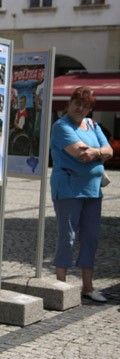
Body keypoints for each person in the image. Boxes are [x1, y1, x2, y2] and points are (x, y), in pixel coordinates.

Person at [49, 86, 113, 302]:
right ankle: (61, 288)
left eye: (86, 106)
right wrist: (99, 153)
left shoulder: (92, 125)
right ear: (69, 103)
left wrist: (96, 152)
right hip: (68, 189)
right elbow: (80, 154)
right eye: (77, 104)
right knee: (67, 238)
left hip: (93, 190)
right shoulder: (61, 126)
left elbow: (110, 150)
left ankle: (88, 287)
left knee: (90, 238)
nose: (81, 109)